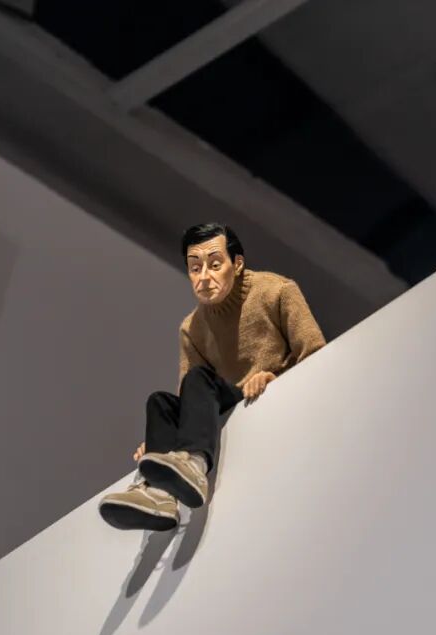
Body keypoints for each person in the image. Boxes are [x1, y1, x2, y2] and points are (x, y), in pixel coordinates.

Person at [99, 223, 326, 531]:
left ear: (238, 263)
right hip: (226, 399)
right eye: (195, 268)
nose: (204, 277)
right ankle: (159, 495)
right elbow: (189, 400)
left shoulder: (277, 291)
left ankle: (194, 463)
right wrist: (159, 442)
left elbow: (315, 351)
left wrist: (276, 377)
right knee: (160, 403)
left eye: (215, 265)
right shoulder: (191, 328)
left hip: (261, 389)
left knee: (197, 378)